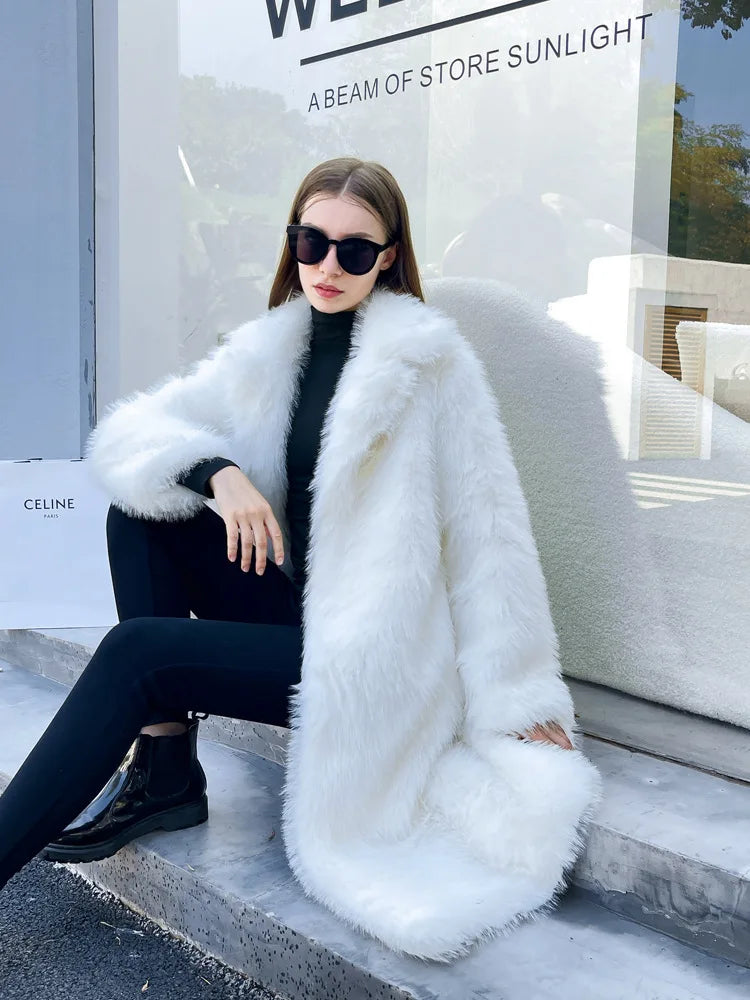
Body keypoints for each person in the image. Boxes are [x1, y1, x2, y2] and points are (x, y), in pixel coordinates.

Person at [0, 157, 601, 961]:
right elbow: (133, 436)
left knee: (139, 652)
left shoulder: (430, 367)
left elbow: (488, 538)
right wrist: (218, 472)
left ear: (389, 256)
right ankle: (167, 771)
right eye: (312, 242)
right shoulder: (268, 348)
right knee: (142, 509)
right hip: (292, 614)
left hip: (372, 661)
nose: (328, 266)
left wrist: (519, 697)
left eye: (355, 250)